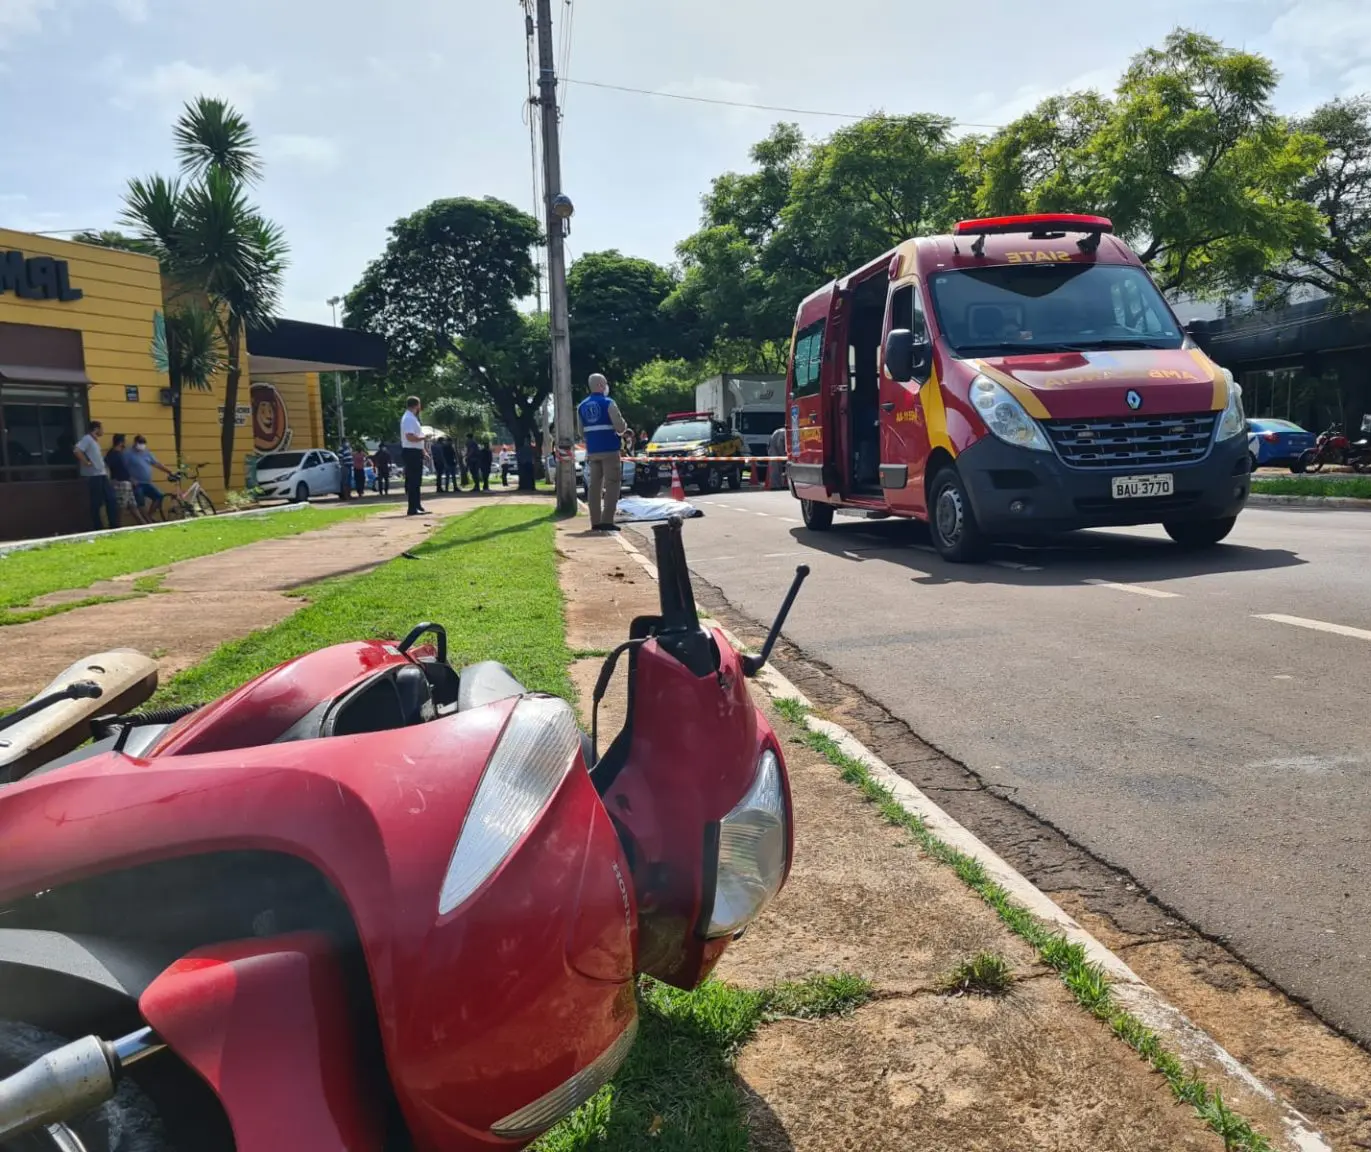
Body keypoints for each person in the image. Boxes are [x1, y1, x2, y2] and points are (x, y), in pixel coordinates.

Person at [577, 373, 628, 531]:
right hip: (610, 450)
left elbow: (580, 432)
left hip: (593, 451)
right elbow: (620, 427)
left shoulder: (581, 406)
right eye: (605, 383)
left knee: (594, 486)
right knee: (612, 483)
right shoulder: (609, 403)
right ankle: (607, 520)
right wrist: (624, 427)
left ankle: (595, 521)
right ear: (601, 385)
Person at [74, 421, 119, 531]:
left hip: (101, 474)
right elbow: (77, 450)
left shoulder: (95, 441)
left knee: (111, 499)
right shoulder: (87, 439)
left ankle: (113, 524)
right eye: (101, 428)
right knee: (96, 501)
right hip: (94, 475)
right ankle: (97, 526)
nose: (103, 431)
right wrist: (86, 462)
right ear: (96, 429)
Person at [127, 434, 174, 518]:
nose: (142, 445)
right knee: (140, 503)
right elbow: (123, 468)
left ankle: (149, 516)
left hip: (147, 483)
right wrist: (131, 479)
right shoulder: (128, 453)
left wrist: (169, 471)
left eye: (143, 443)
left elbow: (157, 464)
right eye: (140, 443)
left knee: (159, 496)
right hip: (137, 484)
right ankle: (145, 522)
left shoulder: (147, 453)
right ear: (135, 443)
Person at [105, 433, 141, 523]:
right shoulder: (113, 454)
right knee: (121, 507)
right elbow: (110, 468)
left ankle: (143, 524)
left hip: (127, 483)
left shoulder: (119, 454)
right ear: (120, 442)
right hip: (120, 483)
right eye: (124, 441)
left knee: (133, 506)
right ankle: (117, 527)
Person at [400, 397, 427, 516]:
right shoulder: (408, 419)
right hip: (411, 452)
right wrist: (425, 438)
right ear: (417, 405)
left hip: (415, 451)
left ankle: (417, 505)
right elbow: (410, 437)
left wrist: (423, 450)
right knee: (413, 480)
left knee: (417, 480)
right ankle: (412, 508)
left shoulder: (413, 418)